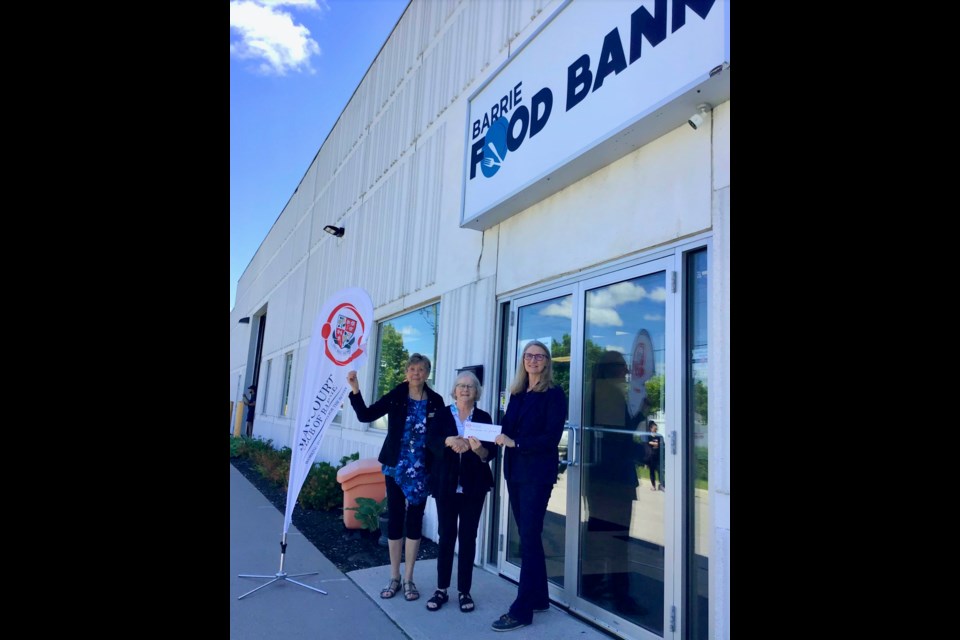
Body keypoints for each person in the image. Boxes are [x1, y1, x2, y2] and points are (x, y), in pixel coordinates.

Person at [346, 353, 451, 603]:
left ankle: (409, 578)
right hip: (396, 466)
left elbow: (441, 436)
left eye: (422, 369)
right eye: (412, 369)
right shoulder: (397, 395)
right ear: (406, 372)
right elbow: (366, 415)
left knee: (415, 521)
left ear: (428, 373)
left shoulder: (436, 401)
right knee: (395, 519)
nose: (416, 373)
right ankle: (394, 576)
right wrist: (355, 390)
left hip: (422, 470)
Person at [491, 340, 567, 632]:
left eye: (539, 356)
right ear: (523, 361)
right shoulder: (517, 394)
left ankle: (522, 609)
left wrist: (516, 442)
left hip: (537, 475)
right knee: (528, 534)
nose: (533, 360)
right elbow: (506, 430)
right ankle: (539, 597)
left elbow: (550, 438)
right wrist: (478, 435)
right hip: (515, 472)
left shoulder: (554, 395)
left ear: (547, 362)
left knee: (529, 536)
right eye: (528, 356)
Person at [424, 370, 494, 613]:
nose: (465, 390)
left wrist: (478, 451)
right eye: (461, 386)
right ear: (454, 391)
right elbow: (430, 442)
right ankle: (441, 589)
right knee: (446, 536)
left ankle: (464, 591)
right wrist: (447, 441)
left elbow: (490, 454)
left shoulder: (484, 417)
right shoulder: (443, 414)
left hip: (474, 486)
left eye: (470, 386)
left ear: (477, 392)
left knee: (468, 537)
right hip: (446, 484)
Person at [643, 421, 665, 491]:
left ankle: (662, 485)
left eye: (656, 429)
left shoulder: (659, 436)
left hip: (658, 457)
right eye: (654, 429)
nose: (656, 430)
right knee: (652, 471)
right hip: (651, 457)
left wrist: (656, 444)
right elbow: (646, 444)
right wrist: (652, 443)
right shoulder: (648, 436)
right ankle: (653, 486)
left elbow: (662, 444)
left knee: (660, 471)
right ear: (651, 428)